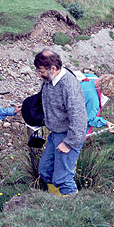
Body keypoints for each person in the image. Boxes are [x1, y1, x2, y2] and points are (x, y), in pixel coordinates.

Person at [35, 49, 87, 196]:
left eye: (41, 71)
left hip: (68, 136)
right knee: (45, 171)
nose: (39, 75)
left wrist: (69, 143)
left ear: (53, 69)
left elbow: (79, 117)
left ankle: (72, 212)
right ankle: (56, 203)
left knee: (63, 179)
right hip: (55, 134)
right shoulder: (49, 81)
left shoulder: (69, 85)